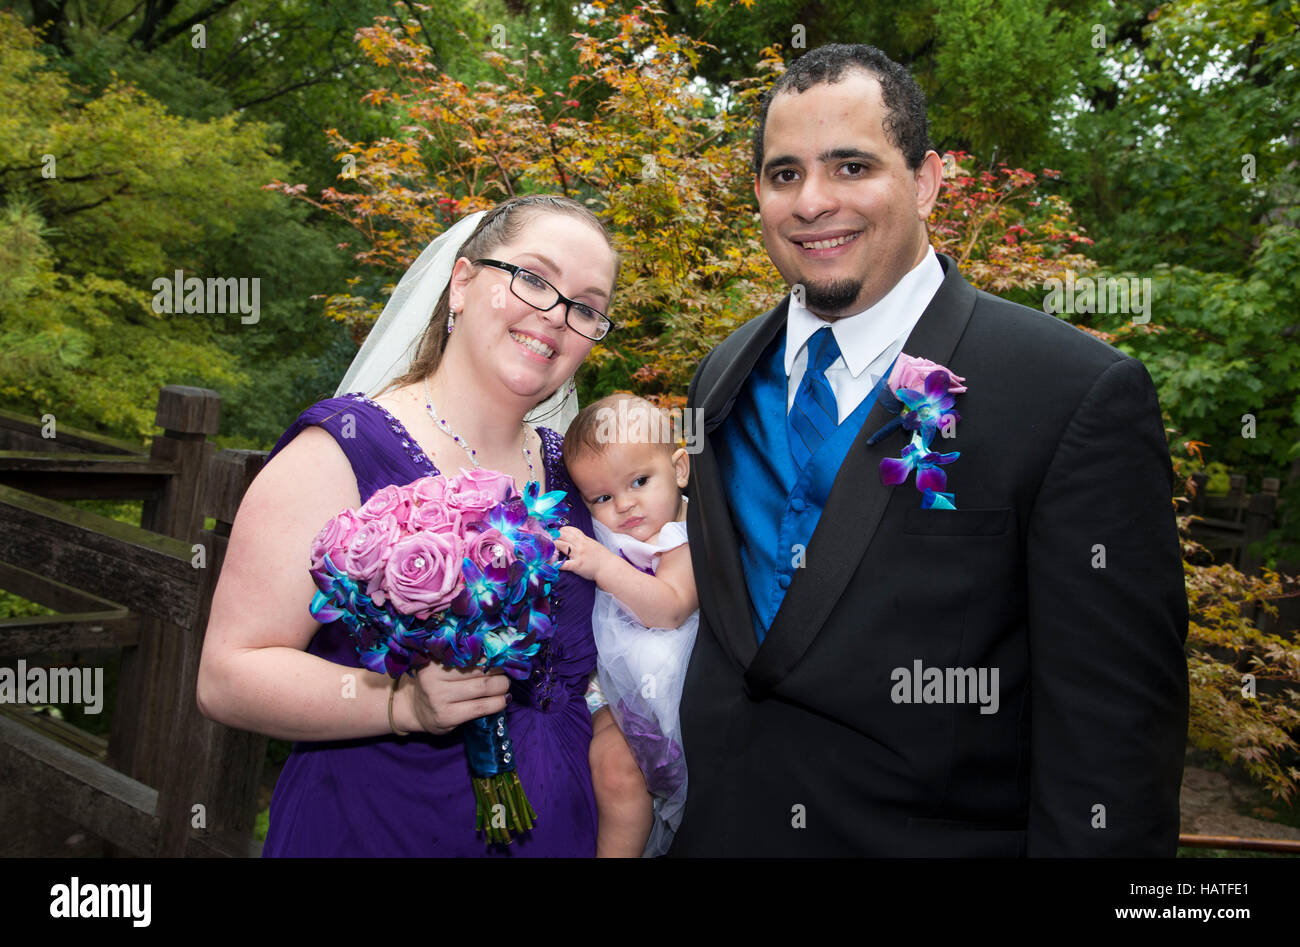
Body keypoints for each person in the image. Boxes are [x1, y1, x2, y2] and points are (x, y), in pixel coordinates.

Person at [670, 44, 1189, 856]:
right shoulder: (721, 376)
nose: (812, 202)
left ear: (926, 180)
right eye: (783, 174)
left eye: (850, 166)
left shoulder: (1071, 392)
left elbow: (1111, 744)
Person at [195, 194, 620, 856]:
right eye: (533, 278)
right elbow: (228, 675)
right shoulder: (342, 449)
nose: (556, 316)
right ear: (462, 281)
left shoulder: (580, 480)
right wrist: (401, 705)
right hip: (378, 827)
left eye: (586, 306)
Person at [554, 393, 699, 857]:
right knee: (612, 765)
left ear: (678, 469)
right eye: (602, 497)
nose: (625, 505)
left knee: (677, 781)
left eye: (640, 480)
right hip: (612, 688)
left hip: (677, 689)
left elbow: (671, 608)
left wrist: (603, 566)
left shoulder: (683, 534)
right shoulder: (611, 534)